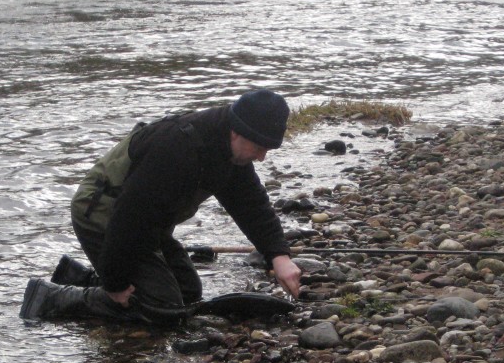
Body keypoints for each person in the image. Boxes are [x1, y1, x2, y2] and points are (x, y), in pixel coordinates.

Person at [20, 89, 302, 323]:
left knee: (188, 292)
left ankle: (78, 276)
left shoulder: (229, 152)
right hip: (101, 213)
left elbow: (251, 204)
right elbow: (129, 217)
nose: (262, 157)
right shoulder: (178, 148)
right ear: (237, 132)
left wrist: (278, 255)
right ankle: (49, 297)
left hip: (144, 224)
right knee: (162, 307)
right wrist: (115, 283)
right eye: (260, 148)